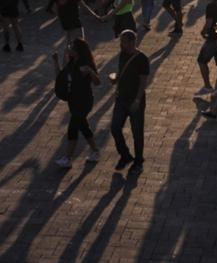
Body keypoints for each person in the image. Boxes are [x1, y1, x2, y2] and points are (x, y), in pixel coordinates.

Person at [52, 38, 101, 167]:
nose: (68, 48)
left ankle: (68, 158)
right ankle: (95, 151)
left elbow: (97, 82)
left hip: (84, 101)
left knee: (73, 127)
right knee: (83, 126)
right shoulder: (72, 62)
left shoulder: (85, 64)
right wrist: (56, 62)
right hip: (73, 101)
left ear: (77, 51)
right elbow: (61, 78)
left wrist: (90, 71)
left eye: (71, 47)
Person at [109, 30, 150, 173]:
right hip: (121, 98)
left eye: (124, 42)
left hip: (135, 100)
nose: (121, 44)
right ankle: (125, 155)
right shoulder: (123, 54)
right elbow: (121, 72)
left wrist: (138, 100)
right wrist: (116, 78)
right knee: (115, 127)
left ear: (132, 42)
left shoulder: (142, 59)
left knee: (137, 132)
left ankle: (138, 161)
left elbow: (143, 82)